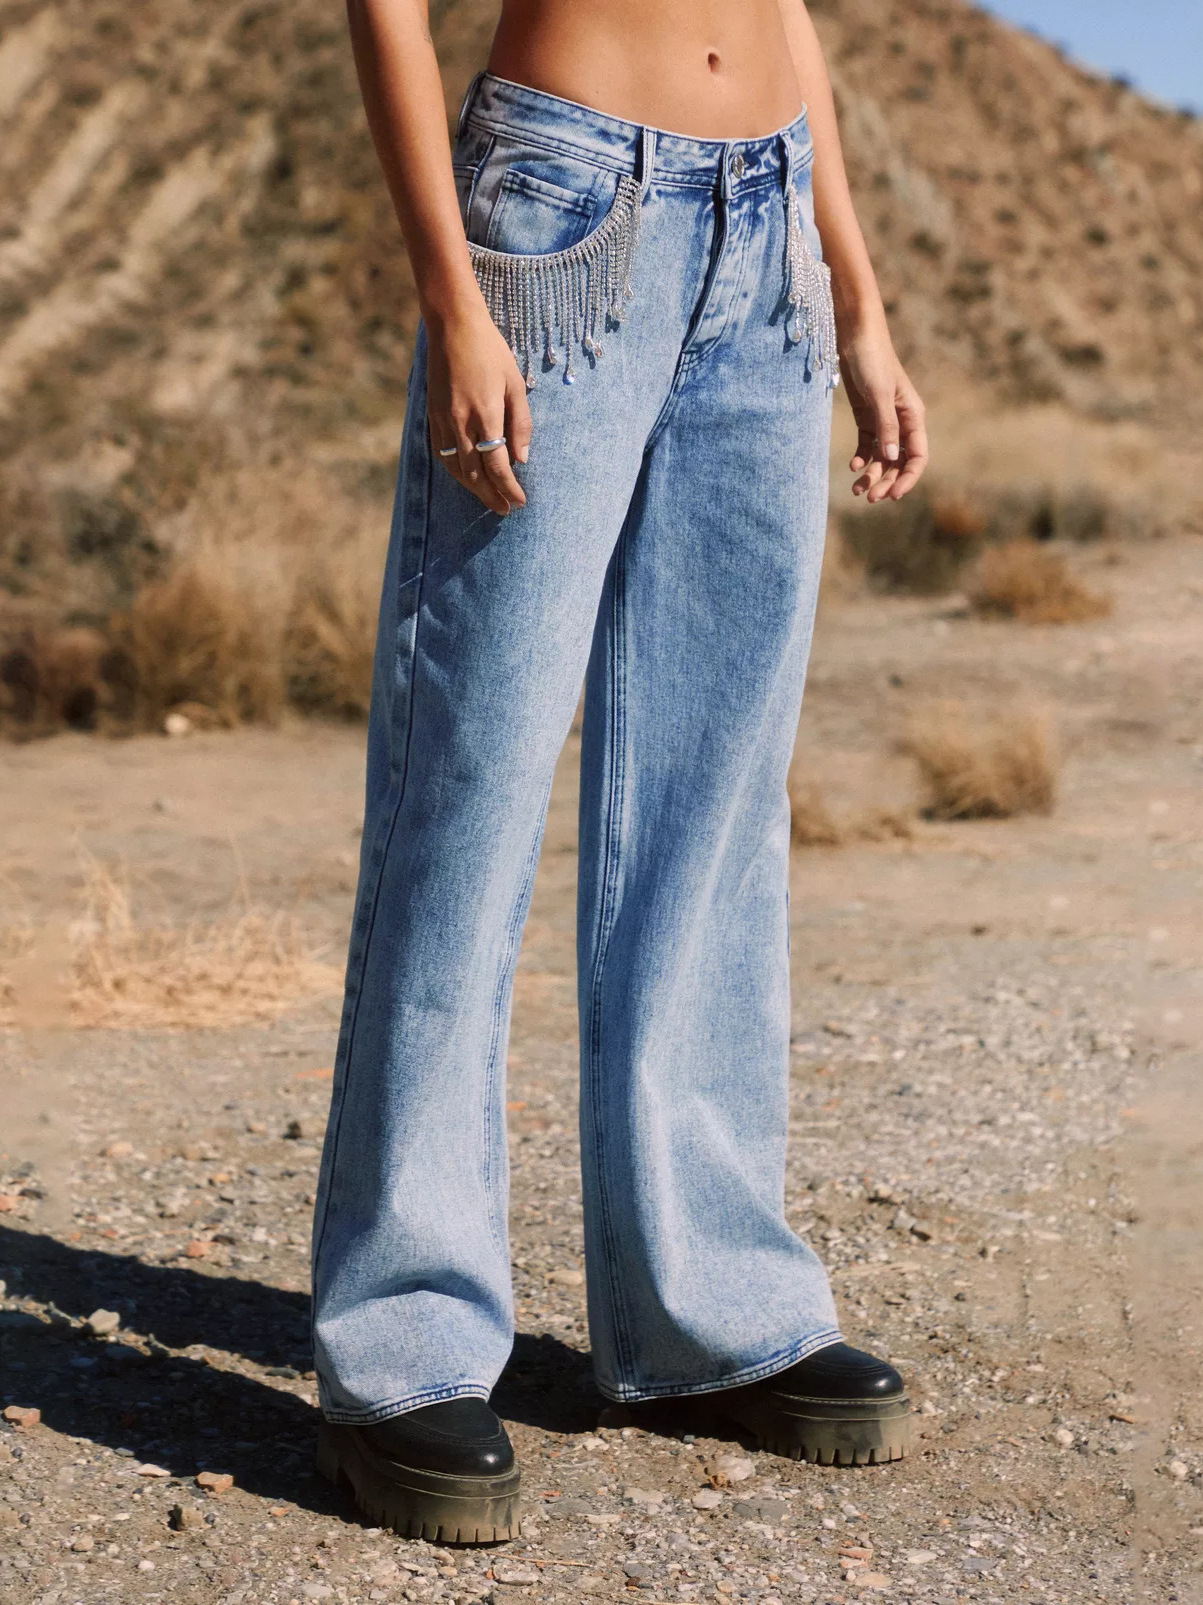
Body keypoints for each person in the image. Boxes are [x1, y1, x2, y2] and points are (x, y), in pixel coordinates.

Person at [311, 0, 929, 1543]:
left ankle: (710, 1313)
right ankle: (404, 1340)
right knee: (469, 788)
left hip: (769, 229)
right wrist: (453, 292)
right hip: (564, 212)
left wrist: (856, 297)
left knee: (714, 807)